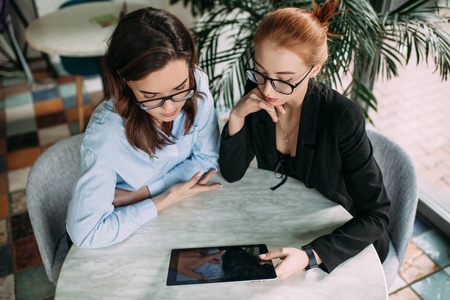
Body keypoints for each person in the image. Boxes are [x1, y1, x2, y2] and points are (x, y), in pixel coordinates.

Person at [219, 0, 390, 279]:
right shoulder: (259, 92)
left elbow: (377, 214)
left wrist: (312, 254)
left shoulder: (341, 116)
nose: (268, 89)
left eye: (284, 79)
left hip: (342, 241)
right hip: (285, 222)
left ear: (315, 69)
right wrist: (237, 116)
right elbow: (232, 172)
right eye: (261, 72)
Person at [66, 7, 221, 249]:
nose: (170, 107)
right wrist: (165, 198)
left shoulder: (197, 83)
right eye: (151, 96)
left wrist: (141, 193)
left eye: (180, 88)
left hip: (174, 217)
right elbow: (87, 235)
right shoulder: (106, 137)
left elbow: (208, 158)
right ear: (124, 80)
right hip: (126, 240)